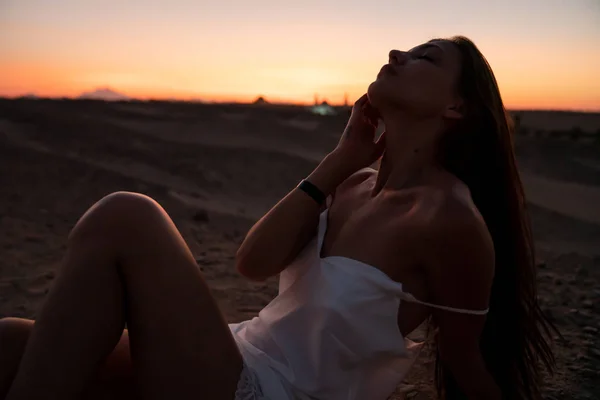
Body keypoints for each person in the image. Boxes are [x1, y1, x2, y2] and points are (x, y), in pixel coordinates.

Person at [0, 36, 555, 400]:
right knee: (9, 342)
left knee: (128, 215)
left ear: (456, 108)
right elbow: (252, 263)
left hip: (277, 392)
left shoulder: (448, 219)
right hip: (240, 354)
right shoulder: (355, 183)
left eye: (424, 58)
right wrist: (337, 163)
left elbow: (466, 359)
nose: (395, 54)